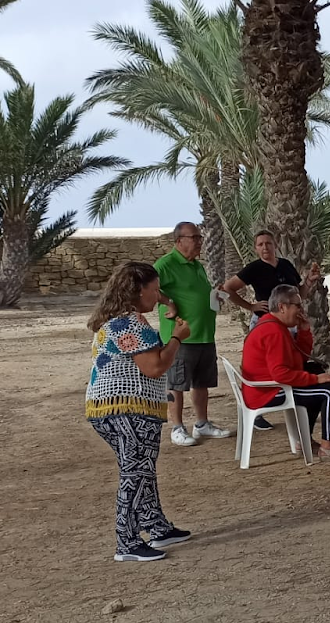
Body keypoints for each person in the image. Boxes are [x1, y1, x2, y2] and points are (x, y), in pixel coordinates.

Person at [85, 261, 192, 562]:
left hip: (112, 408)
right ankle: (127, 542)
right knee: (135, 472)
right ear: (138, 290)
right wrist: (177, 338)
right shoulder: (129, 324)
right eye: (154, 290)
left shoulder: (117, 321)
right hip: (128, 410)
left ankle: (155, 525)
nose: (158, 296)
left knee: (141, 468)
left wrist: (169, 307)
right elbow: (155, 367)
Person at [241, 284, 330, 460]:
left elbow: (299, 359)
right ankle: (328, 446)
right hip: (267, 392)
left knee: (318, 374)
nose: (301, 310)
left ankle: (305, 439)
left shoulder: (273, 324)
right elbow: (281, 374)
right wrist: (315, 380)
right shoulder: (274, 331)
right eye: (297, 305)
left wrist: (304, 331)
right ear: (282, 307)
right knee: (328, 391)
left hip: (265, 387)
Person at [154, 221, 231, 446]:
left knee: (201, 383)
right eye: (194, 237)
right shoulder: (165, 264)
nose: (199, 241)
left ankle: (202, 424)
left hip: (205, 334)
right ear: (179, 241)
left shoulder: (197, 265)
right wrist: (168, 302)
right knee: (176, 383)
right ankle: (177, 428)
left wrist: (214, 296)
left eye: (200, 237)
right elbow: (144, 287)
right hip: (180, 338)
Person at [219, 229, 322, 313]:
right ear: (256, 249)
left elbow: (300, 295)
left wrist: (309, 281)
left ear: (275, 245)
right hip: (266, 321)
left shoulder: (286, 264)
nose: (265, 247)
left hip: (291, 321)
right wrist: (251, 307)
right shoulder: (253, 269)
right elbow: (227, 288)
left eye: (268, 243)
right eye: (260, 244)